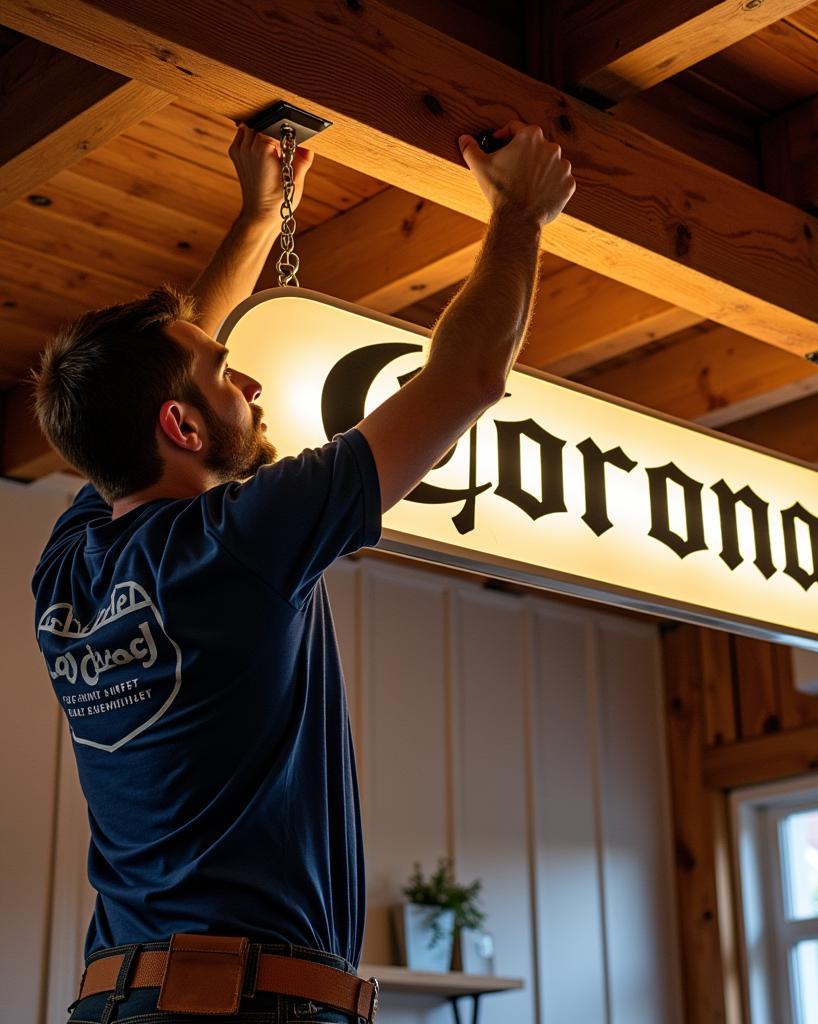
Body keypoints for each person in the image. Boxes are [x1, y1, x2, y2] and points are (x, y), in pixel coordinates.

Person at [30, 119, 574, 1023]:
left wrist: (257, 219)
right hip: (242, 1007)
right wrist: (521, 212)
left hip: (130, 1000)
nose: (248, 385)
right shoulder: (240, 538)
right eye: (226, 373)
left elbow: (160, 375)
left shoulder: (69, 574)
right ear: (183, 429)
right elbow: (469, 377)